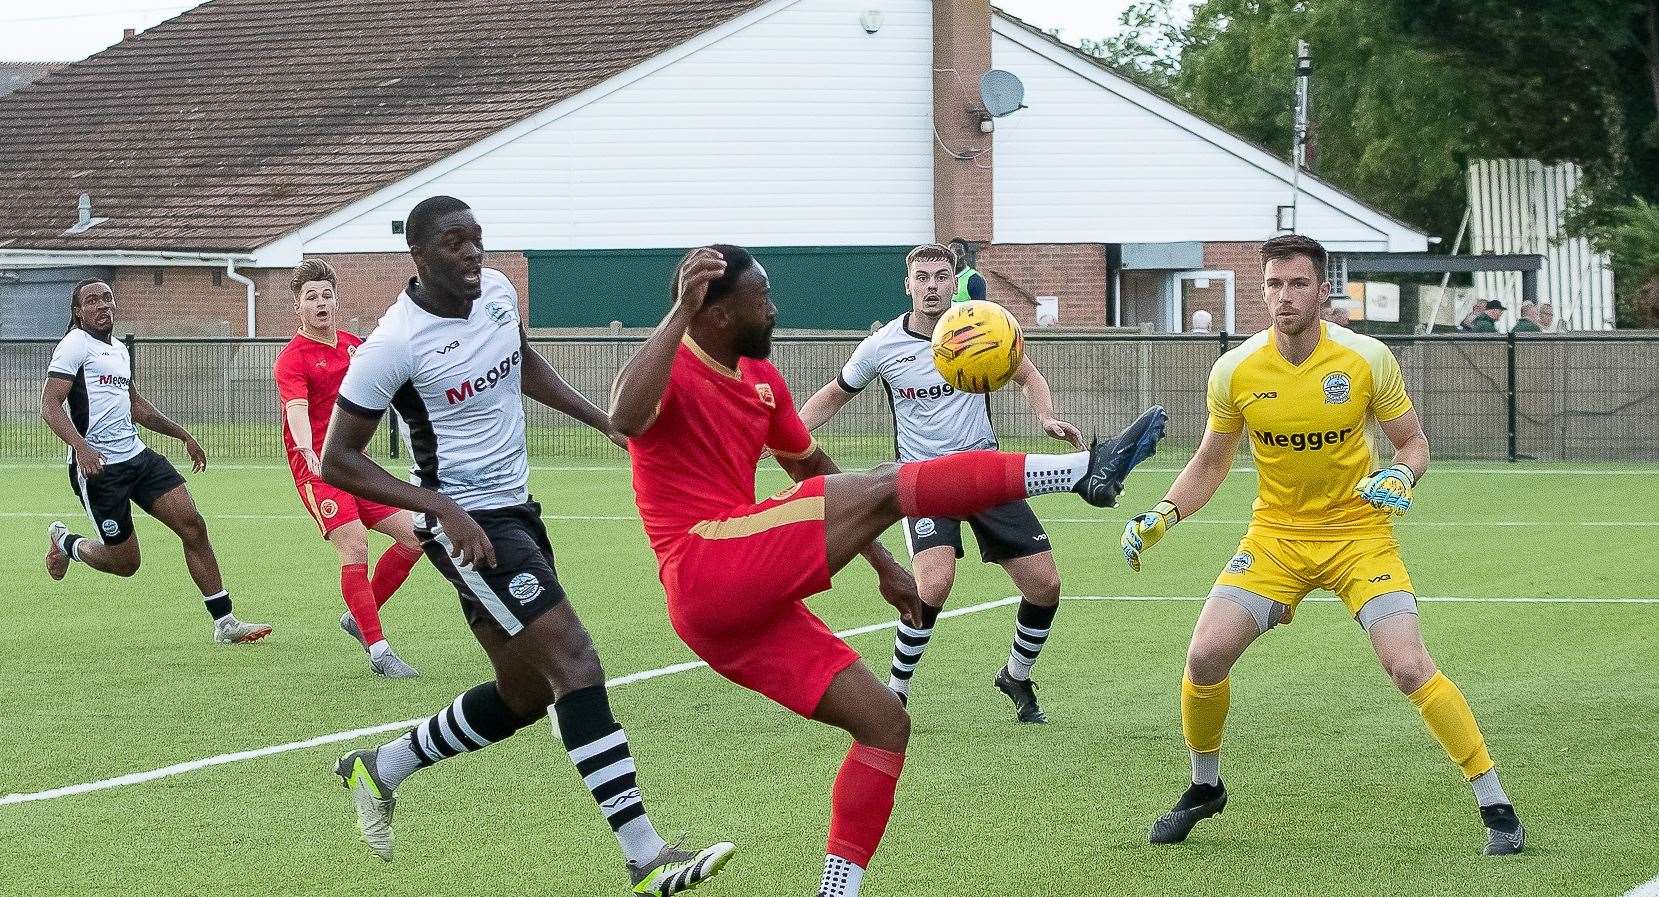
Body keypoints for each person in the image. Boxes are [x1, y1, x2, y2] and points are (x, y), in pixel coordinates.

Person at [610, 243, 1167, 897]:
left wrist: (881, 563)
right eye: (761, 296)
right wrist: (679, 308)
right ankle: (1083, 473)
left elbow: (810, 468)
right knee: (883, 481)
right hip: (704, 563)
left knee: (884, 724)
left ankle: (835, 892)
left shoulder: (762, 379)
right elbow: (622, 416)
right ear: (717, 309)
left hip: (738, 610)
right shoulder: (669, 365)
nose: (774, 306)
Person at [320, 196, 733, 894]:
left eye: (477, 239)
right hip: (471, 530)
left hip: (518, 510)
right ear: (418, 256)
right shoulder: (394, 343)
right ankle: (644, 855)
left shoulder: (499, 294)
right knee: (575, 660)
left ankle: (380, 766)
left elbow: (520, 361)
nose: (472, 253)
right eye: (454, 243)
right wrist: (440, 506)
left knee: (521, 693)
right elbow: (338, 459)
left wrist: (600, 418)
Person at [1120, 234, 1525, 855]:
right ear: (1262, 291)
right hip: (1276, 538)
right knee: (1204, 658)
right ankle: (1205, 786)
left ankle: (1494, 800)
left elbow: (1413, 444)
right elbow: (1210, 462)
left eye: (1298, 284)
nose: (1285, 297)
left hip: (1358, 535)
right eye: (1274, 285)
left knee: (1409, 666)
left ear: (1321, 289)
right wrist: (1164, 513)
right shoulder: (1233, 371)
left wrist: (1401, 473)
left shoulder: (1366, 359)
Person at [797, 243, 1085, 723]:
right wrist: (790, 436)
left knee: (1045, 584)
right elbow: (833, 395)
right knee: (934, 581)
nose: (932, 286)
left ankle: (1015, 674)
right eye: (922, 277)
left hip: (983, 472)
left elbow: (1029, 374)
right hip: (923, 481)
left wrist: (1047, 416)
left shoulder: (980, 329)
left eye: (941, 276)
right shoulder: (881, 346)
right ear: (907, 284)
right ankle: (895, 693)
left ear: (955, 282)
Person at [41, 280, 271, 645]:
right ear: (77, 312)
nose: (102, 305)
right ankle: (66, 542)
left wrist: (183, 435)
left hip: (138, 457)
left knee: (193, 525)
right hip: (100, 469)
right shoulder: (74, 345)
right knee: (126, 564)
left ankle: (225, 623)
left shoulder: (118, 350)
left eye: (107, 298)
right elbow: (50, 405)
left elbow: (137, 407)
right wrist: (81, 448)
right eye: (92, 300)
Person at [274, 259, 424, 677]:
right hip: (318, 469)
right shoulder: (292, 359)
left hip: (353, 461)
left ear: (336, 300)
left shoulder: (353, 346)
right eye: (311, 297)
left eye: (326, 295)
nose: (321, 303)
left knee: (415, 537)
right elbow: (296, 409)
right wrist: (306, 448)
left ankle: (359, 615)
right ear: (298, 307)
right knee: (355, 544)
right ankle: (379, 651)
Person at [948, 238, 987, 303]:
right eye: (952, 254)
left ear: (966, 255)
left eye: (959, 253)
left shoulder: (975, 279)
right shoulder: (944, 277)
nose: (956, 257)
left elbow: (979, 308)